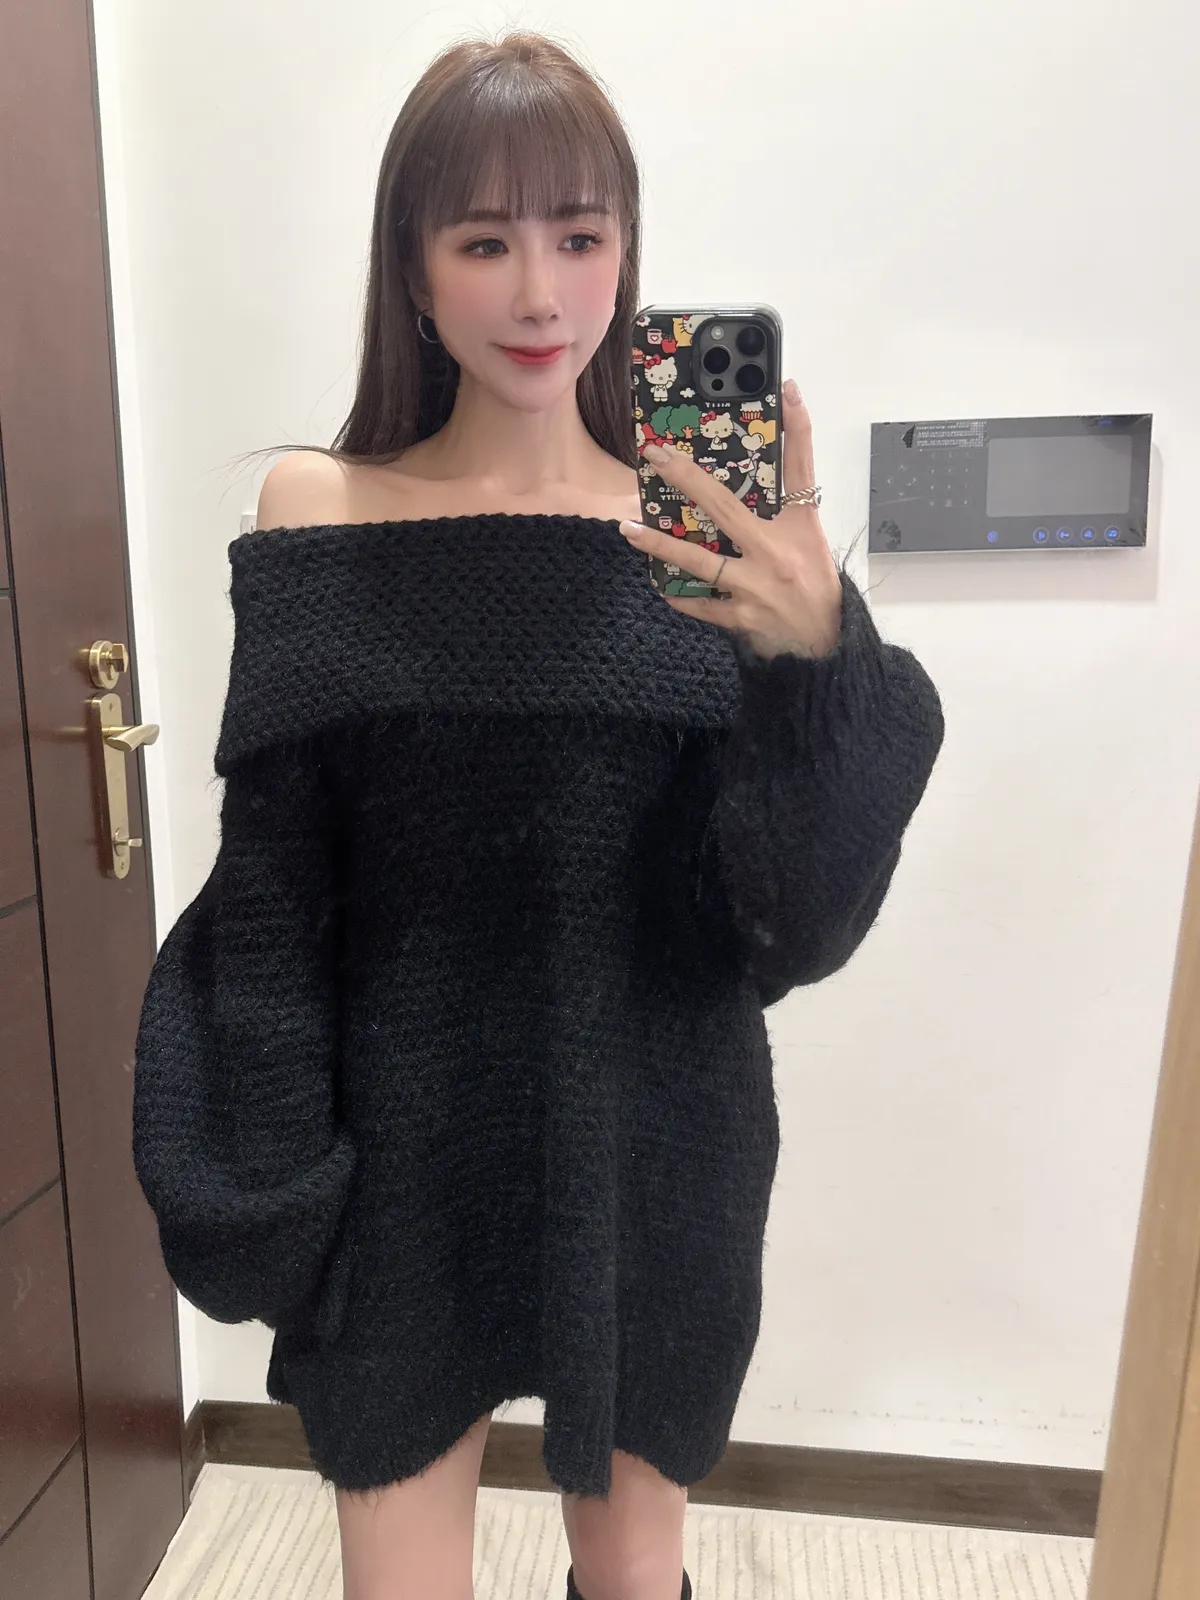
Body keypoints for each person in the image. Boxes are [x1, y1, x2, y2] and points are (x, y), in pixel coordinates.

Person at [131, 29, 945, 1600]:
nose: (539, 293)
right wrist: (280, 1182)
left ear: (627, 252)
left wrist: (815, 659)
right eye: (484, 240)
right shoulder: (318, 513)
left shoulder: (702, 545)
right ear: (413, 268)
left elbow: (788, 925)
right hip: (400, 1148)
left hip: (665, 1135)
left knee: (635, 1571)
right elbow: (277, 889)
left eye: (580, 236)